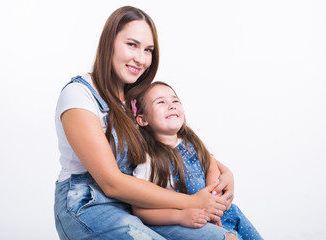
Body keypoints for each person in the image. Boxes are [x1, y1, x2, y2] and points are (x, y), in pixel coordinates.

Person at [54, 5, 239, 240]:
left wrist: (226, 173)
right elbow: (111, 183)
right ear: (108, 42)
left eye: (148, 49)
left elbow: (180, 146)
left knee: (225, 237)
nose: (141, 59)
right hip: (88, 204)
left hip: (139, 205)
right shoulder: (79, 95)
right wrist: (191, 202)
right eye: (132, 44)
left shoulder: (138, 100)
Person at [131, 81, 263, 240]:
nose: (171, 105)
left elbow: (211, 166)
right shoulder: (148, 159)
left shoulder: (191, 143)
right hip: (187, 219)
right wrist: (180, 217)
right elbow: (140, 210)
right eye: (161, 102)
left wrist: (214, 202)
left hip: (220, 214)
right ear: (143, 119)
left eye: (175, 101)